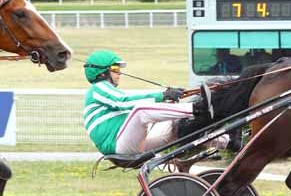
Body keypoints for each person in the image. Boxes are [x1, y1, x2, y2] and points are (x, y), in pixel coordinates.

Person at [83, 50, 230, 156]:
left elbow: (131, 99)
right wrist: (162, 96)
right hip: (118, 145)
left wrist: (167, 98)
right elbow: (124, 102)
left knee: (178, 124)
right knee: (141, 111)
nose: (119, 73)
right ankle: (196, 108)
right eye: (115, 68)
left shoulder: (105, 91)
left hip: (131, 141)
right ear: (102, 73)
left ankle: (226, 141)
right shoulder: (97, 88)